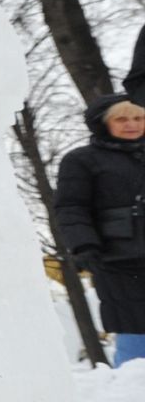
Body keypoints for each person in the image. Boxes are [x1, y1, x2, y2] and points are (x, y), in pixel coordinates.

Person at [55, 92, 145, 366]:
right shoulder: (82, 160)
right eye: (122, 118)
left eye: (139, 117)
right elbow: (71, 207)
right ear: (103, 123)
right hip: (118, 260)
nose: (132, 124)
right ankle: (134, 389)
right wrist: (83, 245)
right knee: (135, 328)